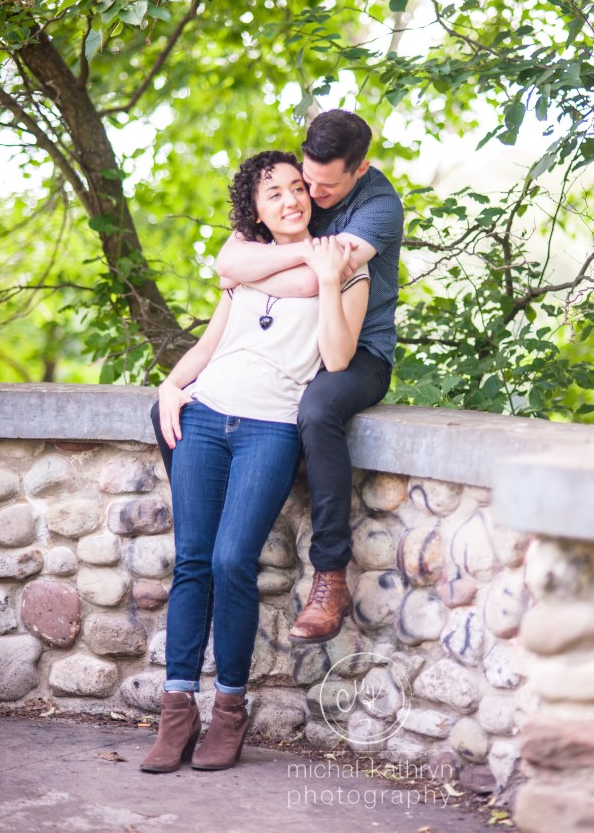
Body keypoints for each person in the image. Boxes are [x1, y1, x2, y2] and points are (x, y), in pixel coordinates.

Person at [142, 150, 369, 775]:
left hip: (270, 429)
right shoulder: (245, 263)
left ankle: (230, 711)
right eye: (275, 194)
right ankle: (176, 707)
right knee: (191, 561)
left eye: (298, 188)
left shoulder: (344, 262)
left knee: (230, 560)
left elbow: (338, 358)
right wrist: (169, 385)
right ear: (258, 209)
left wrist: (325, 279)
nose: (292, 199)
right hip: (206, 417)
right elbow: (213, 343)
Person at [214, 109, 404, 645]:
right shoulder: (291, 186)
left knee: (317, 409)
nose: (308, 195)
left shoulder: (379, 209)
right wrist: (292, 256)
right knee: (191, 405)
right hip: (290, 344)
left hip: (358, 347)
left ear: (360, 168)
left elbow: (321, 283)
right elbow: (227, 260)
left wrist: (256, 268)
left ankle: (330, 576)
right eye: (305, 178)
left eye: (324, 186)